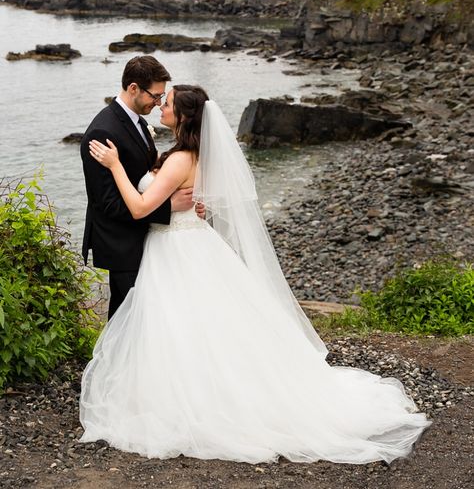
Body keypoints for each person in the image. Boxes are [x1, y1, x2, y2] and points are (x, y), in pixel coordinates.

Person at [80, 85, 431, 464]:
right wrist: (182, 205)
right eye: (160, 99)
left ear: (183, 117)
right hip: (193, 245)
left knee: (181, 326)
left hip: (176, 250)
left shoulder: (181, 159)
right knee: (205, 327)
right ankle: (205, 390)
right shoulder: (193, 155)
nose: (161, 105)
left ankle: (195, 401)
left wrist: (115, 166)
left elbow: (137, 209)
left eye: (167, 102)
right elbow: (191, 201)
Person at [80, 56, 195, 319]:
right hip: (122, 245)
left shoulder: (138, 122)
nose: (158, 104)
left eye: (162, 97)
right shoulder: (101, 133)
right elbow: (107, 204)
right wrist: (169, 207)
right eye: (155, 96)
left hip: (144, 239)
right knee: (129, 321)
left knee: (137, 323)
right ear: (133, 88)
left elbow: (143, 173)